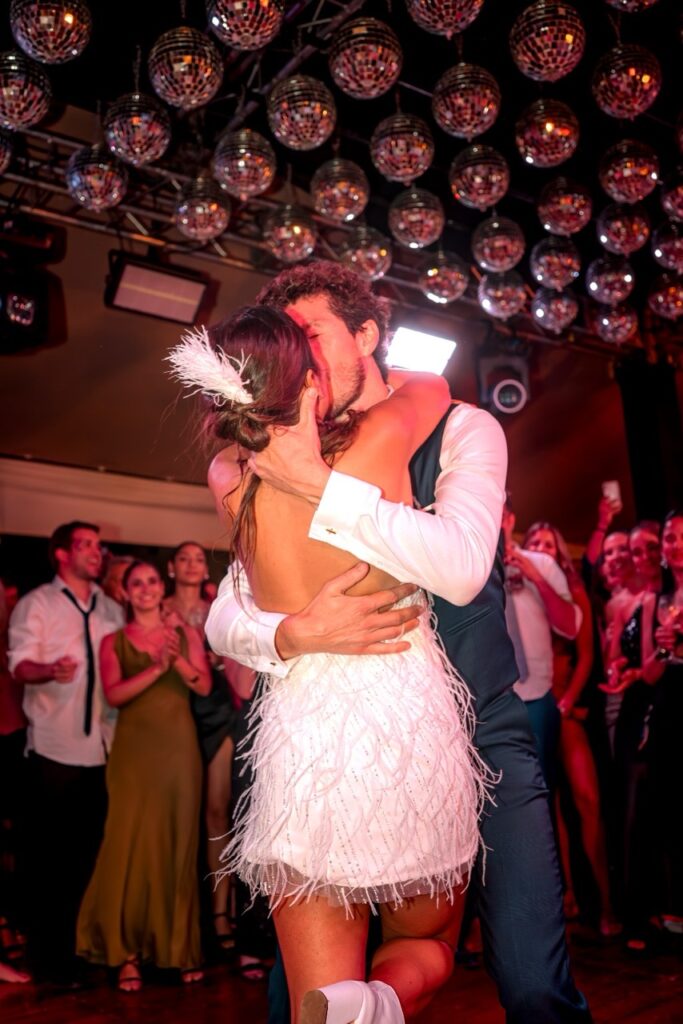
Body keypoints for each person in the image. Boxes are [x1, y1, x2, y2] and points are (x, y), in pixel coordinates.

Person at [204, 261, 591, 1024]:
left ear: (366, 335)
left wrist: (319, 485)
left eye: (313, 335)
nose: (301, 357)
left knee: (531, 982)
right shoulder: (280, 449)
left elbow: (460, 565)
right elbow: (226, 612)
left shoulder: (462, 427)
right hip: (335, 741)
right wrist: (291, 632)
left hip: (482, 730)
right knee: (296, 996)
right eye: (289, 341)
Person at [170, 304, 490, 1024]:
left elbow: (241, 596)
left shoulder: (225, 474)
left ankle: (346, 1006)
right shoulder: (381, 434)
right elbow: (431, 385)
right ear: (310, 380)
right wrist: (349, 367)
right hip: (403, 721)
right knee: (427, 944)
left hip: (301, 742)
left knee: (312, 987)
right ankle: (376, 1002)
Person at [77, 559, 210, 991]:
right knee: (127, 845)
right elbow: (114, 695)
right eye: (137, 583)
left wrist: (177, 661)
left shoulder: (186, 635)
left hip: (179, 753)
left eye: (152, 581)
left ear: (161, 587)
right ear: (126, 591)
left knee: (178, 845)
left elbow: (203, 686)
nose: (146, 588)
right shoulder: (113, 641)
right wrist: (155, 666)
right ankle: (127, 954)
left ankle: (180, 950)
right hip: (133, 756)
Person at [8, 521, 123, 986]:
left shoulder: (111, 608)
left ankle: (79, 951)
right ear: (61, 553)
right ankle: (47, 961)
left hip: (104, 748)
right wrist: (48, 669)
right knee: (48, 861)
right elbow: (19, 665)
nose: (97, 552)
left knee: (87, 858)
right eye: (86, 544)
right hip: (55, 748)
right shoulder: (38, 604)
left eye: (99, 545)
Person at [523, 522, 619, 936]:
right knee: (548, 808)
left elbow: (585, 652)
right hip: (537, 705)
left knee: (586, 799)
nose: (541, 548)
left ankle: (607, 902)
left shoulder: (569, 589)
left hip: (568, 708)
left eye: (549, 544)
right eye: (534, 543)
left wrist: (567, 702)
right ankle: (567, 898)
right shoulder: (519, 588)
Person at [163, 541, 239, 955]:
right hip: (174, 710)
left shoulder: (218, 605)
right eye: (184, 558)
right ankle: (184, 917)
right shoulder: (157, 608)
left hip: (218, 710)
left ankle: (221, 913)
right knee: (179, 815)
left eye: (198, 558)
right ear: (171, 568)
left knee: (216, 811)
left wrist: (219, 660)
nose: (193, 565)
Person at [501, 505, 581, 793]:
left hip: (536, 697)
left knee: (542, 787)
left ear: (510, 519)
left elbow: (570, 627)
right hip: (490, 702)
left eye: (499, 514)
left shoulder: (542, 564)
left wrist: (536, 577)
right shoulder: (471, 569)